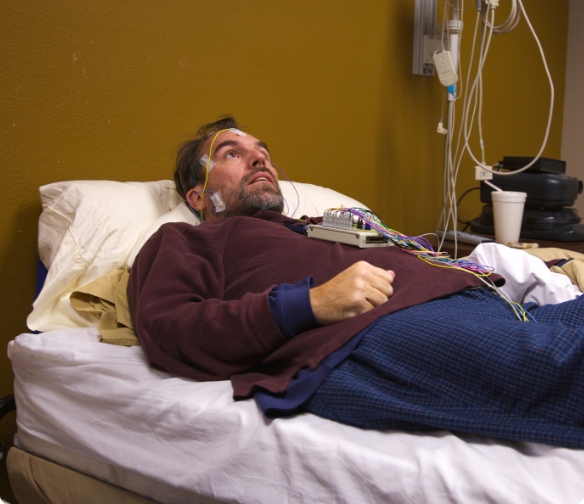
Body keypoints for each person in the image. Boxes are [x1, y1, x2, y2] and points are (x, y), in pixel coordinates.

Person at [129, 117, 584, 449]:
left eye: (261, 150)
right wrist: (308, 304)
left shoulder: (317, 225)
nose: (259, 157)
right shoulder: (188, 240)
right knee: (562, 364)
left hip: (471, 298)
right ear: (196, 195)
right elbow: (169, 326)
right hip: (373, 327)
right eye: (233, 153)